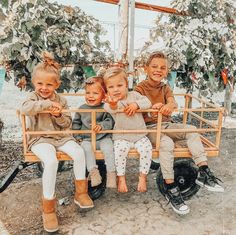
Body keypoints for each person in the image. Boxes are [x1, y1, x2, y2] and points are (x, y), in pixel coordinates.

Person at [135, 51, 224, 215]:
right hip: (149, 129)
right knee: (166, 143)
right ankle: (170, 187)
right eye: (154, 66)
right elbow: (136, 106)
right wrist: (148, 110)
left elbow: (172, 101)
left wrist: (170, 105)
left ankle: (203, 172)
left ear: (166, 71)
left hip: (167, 125)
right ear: (146, 68)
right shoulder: (140, 88)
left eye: (162, 68)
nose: (158, 70)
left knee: (191, 130)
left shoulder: (165, 87)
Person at [21, 52, 94, 233]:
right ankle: (48, 208)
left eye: (49, 84)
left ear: (57, 85)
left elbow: (67, 123)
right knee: (52, 161)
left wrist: (58, 114)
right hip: (40, 138)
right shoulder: (33, 98)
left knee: (78, 152)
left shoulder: (62, 100)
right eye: (40, 84)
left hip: (60, 137)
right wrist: (45, 105)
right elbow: (25, 109)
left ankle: (81, 193)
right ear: (34, 83)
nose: (44, 88)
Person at [103, 67, 153, 193]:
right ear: (107, 89)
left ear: (126, 85)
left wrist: (136, 105)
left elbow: (147, 102)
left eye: (119, 85)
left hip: (139, 135)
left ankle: (142, 177)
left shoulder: (134, 96)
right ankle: (121, 178)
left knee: (147, 149)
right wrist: (113, 104)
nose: (115, 89)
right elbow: (110, 109)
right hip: (121, 136)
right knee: (119, 153)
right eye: (111, 87)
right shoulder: (110, 102)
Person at [72, 76, 116, 188]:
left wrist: (101, 126)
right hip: (87, 139)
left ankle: (111, 173)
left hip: (103, 138)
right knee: (86, 148)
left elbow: (110, 121)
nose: (90, 96)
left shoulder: (105, 107)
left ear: (103, 95)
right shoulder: (82, 109)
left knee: (109, 148)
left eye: (95, 93)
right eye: (88, 93)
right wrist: (77, 136)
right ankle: (93, 172)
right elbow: (76, 124)